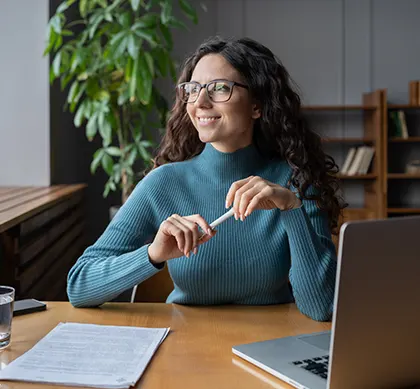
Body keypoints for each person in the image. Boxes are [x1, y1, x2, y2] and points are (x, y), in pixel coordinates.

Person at [67, 36, 345, 321]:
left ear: (257, 106)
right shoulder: (163, 184)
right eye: (193, 89)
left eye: (220, 88)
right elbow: (79, 286)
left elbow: (321, 307)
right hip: (185, 351)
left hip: (270, 349)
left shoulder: (295, 184)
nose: (200, 101)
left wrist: (291, 207)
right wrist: (153, 254)